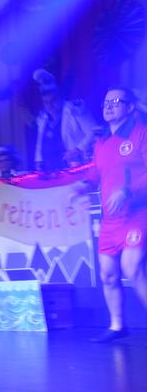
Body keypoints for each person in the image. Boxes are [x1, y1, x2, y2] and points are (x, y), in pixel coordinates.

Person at [72, 87, 147, 343]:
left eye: (116, 101)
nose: (109, 105)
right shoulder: (101, 140)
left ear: (130, 107)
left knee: (132, 267)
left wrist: (127, 191)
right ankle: (117, 326)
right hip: (110, 220)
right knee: (108, 274)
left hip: (137, 214)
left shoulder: (140, 133)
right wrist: (83, 186)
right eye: (106, 102)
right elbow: (96, 172)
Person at [32, 69, 97, 172]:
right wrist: (38, 161)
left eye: (53, 101)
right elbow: (40, 142)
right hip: (49, 170)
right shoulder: (42, 117)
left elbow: (94, 132)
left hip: (74, 166)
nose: (50, 105)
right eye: (46, 102)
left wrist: (77, 150)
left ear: (60, 97)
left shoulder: (75, 109)